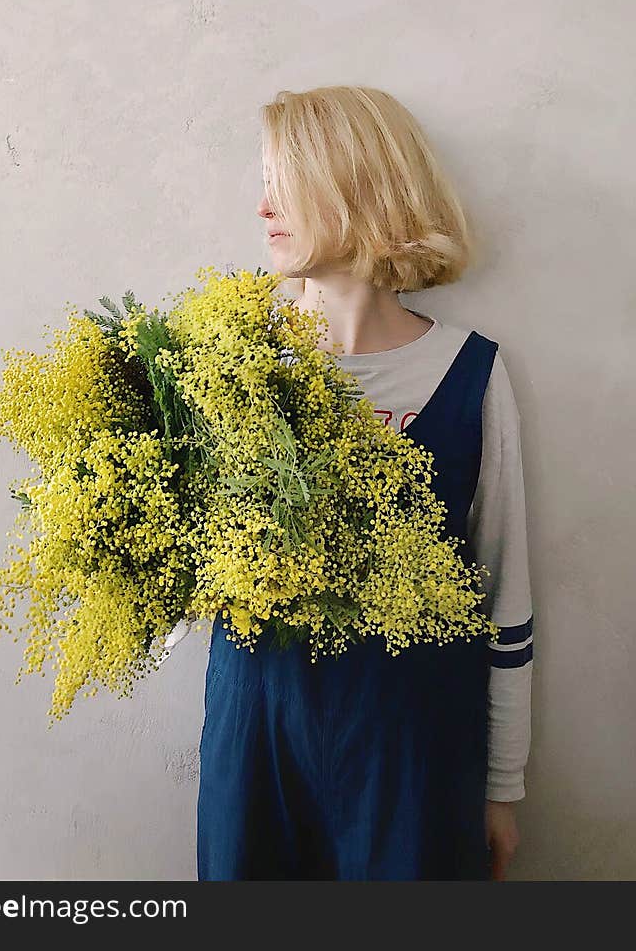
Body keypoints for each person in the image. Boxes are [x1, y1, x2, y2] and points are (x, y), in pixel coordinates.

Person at [162, 85, 533, 881]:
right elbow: (175, 583)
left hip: (415, 750)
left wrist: (501, 788)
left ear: (357, 185)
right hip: (257, 738)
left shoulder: (470, 374)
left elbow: (506, 598)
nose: (262, 208)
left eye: (283, 181)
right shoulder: (225, 363)